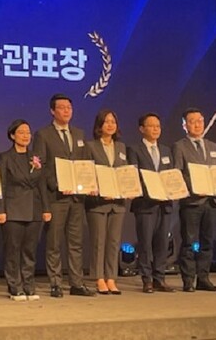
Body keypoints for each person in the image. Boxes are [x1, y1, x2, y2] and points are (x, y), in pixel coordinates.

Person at [32, 93, 95, 298]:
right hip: (56, 197)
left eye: (69, 107)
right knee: (54, 242)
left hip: (76, 197)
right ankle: (56, 283)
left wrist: (88, 184)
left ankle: (76, 283)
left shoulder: (78, 133)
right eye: (61, 107)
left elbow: (84, 163)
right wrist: (57, 184)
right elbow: (40, 166)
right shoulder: (43, 135)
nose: (66, 111)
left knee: (76, 242)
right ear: (52, 111)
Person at [0, 119, 51, 301]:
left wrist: (46, 208)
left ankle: (29, 285)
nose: (26, 136)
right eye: (21, 132)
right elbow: (1, 185)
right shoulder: (5, 157)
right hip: (13, 209)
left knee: (29, 250)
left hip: (34, 208)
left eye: (28, 132)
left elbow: (41, 184)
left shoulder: (35, 157)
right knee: (13, 249)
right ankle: (15, 286)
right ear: (12, 136)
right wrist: (0, 210)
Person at [172, 107, 216, 292]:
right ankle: (188, 280)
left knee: (207, 242)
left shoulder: (212, 146)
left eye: (200, 121)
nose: (197, 125)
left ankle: (203, 278)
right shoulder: (180, 146)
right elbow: (177, 173)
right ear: (184, 125)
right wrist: (194, 187)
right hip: (191, 202)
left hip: (210, 201)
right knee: (188, 242)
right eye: (192, 121)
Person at [127, 113, 177, 294]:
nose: (156, 129)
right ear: (142, 129)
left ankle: (159, 278)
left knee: (162, 243)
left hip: (165, 204)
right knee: (145, 244)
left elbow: (171, 174)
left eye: (158, 126)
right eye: (151, 126)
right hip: (145, 204)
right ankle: (146, 279)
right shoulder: (134, 150)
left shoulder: (166, 150)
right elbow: (133, 175)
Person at [85, 109, 129, 295]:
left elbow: (125, 173)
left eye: (113, 122)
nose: (110, 125)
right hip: (98, 202)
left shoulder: (121, 147)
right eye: (107, 122)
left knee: (113, 241)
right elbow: (87, 173)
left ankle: (111, 277)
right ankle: (99, 278)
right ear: (99, 125)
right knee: (98, 241)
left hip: (118, 203)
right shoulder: (90, 146)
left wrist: (129, 189)